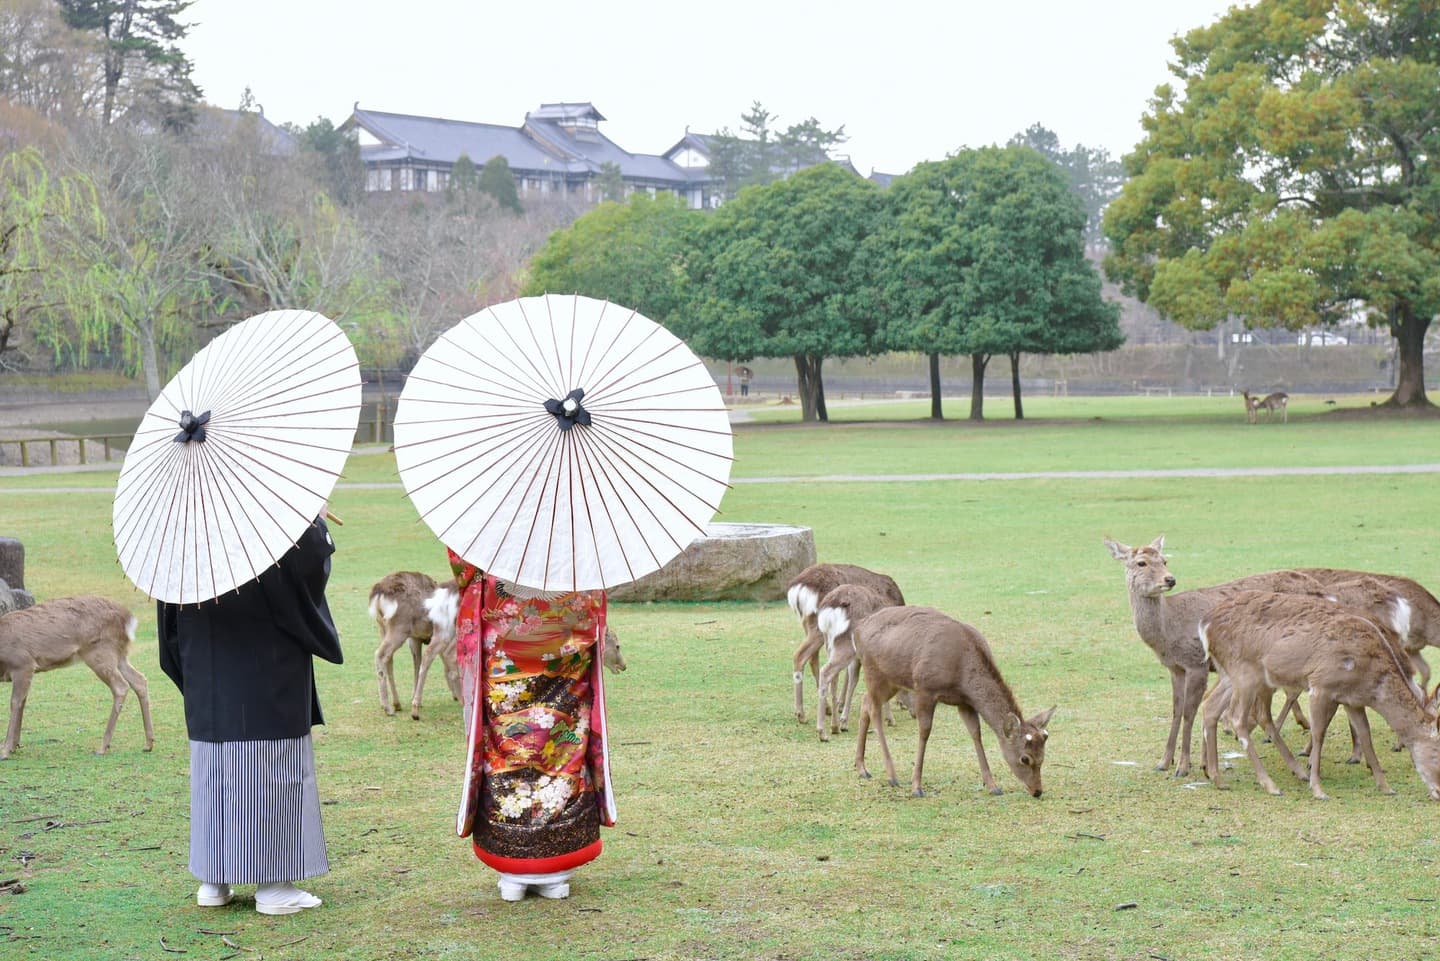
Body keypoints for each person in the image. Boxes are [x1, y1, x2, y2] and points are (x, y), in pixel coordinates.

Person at [158, 515, 342, 915]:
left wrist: (191, 670)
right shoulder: (265, 514)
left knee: (214, 775)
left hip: (205, 669)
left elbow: (168, 616)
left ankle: (214, 879)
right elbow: (306, 571)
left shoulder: (180, 522)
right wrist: (315, 524)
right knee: (272, 772)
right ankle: (274, 885)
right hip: (263, 667)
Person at [448, 548, 616, 901]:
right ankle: (556, 866)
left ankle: (511, 864)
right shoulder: (580, 520)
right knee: (563, 740)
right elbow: (598, 569)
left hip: (505, 646)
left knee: (506, 742)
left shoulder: (491, 518)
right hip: (567, 640)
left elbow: (464, 570)